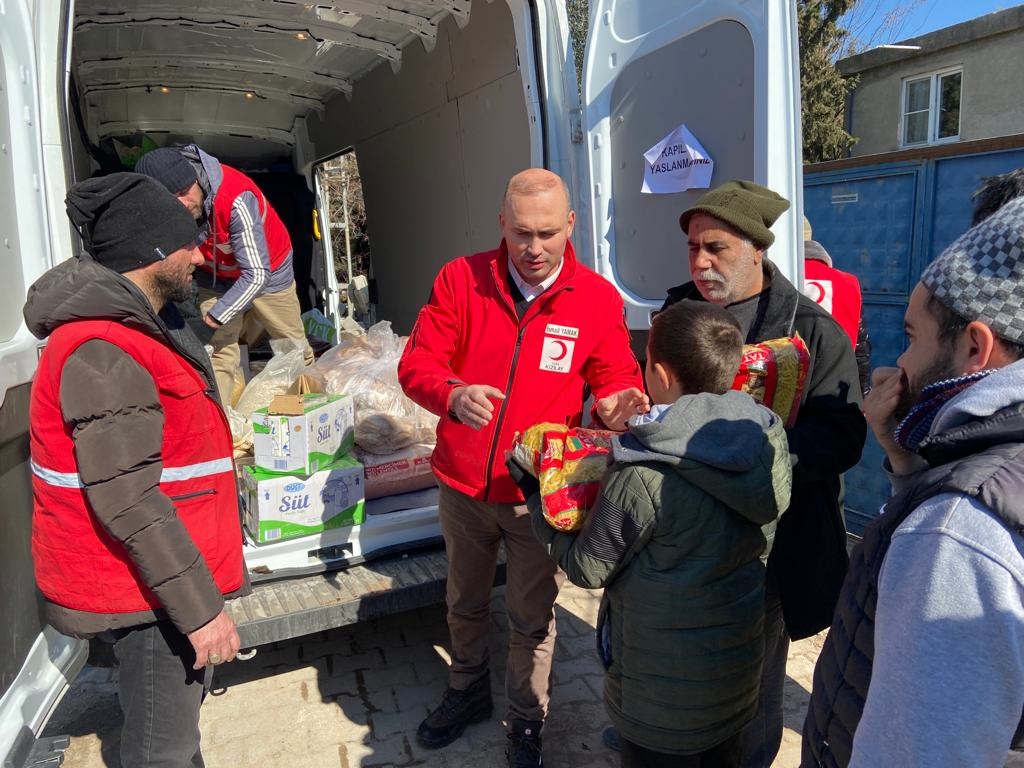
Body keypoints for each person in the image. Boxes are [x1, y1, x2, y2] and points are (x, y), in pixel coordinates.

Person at [397, 168, 647, 767]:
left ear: (571, 225)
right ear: (502, 224)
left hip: (539, 491)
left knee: (532, 617)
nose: (534, 249)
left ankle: (527, 721)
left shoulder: (596, 299)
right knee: (464, 600)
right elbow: (417, 363)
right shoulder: (460, 280)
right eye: (521, 234)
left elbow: (616, 377)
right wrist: (453, 394)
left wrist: (616, 405)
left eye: (548, 234)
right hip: (464, 484)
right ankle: (466, 689)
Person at [25, 173, 249, 767]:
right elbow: (128, 499)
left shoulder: (141, 327)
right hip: (147, 595)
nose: (199, 256)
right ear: (151, 252)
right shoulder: (105, 349)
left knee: (174, 741)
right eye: (187, 244)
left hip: (157, 581)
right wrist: (202, 612)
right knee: (162, 751)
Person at [517, 300, 792, 768]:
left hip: (659, 701)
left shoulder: (643, 472)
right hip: (736, 674)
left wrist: (534, 494)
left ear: (659, 375)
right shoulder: (767, 438)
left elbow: (588, 567)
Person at [802, 196, 1024, 767]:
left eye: (912, 337)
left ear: (974, 346)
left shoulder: (955, 532)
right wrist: (906, 463)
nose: (895, 365)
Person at [660, 180, 866, 768]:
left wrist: (752, 456)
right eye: (693, 247)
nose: (701, 262)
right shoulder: (677, 313)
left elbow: (842, 438)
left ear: (756, 249)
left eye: (716, 248)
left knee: (752, 683)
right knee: (681, 657)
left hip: (765, 550)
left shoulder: (813, 331)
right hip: (682, 535)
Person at [136, 145, 314, 406]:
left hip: (269, 269)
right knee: (218, 352)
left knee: (293, 346)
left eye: (185, 192)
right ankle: (223, 421)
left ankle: (307, 411)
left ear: (196, 179)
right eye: (173, 199)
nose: (183, 204)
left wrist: (213, 319)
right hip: (216, 273)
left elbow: (257, 274)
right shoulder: (165, 209)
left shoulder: (235, 197)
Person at [803, 239, 872, 396]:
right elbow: (860, 348)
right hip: (833, 385)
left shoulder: (776, 278)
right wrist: (863, 392)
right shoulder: (848, 282)